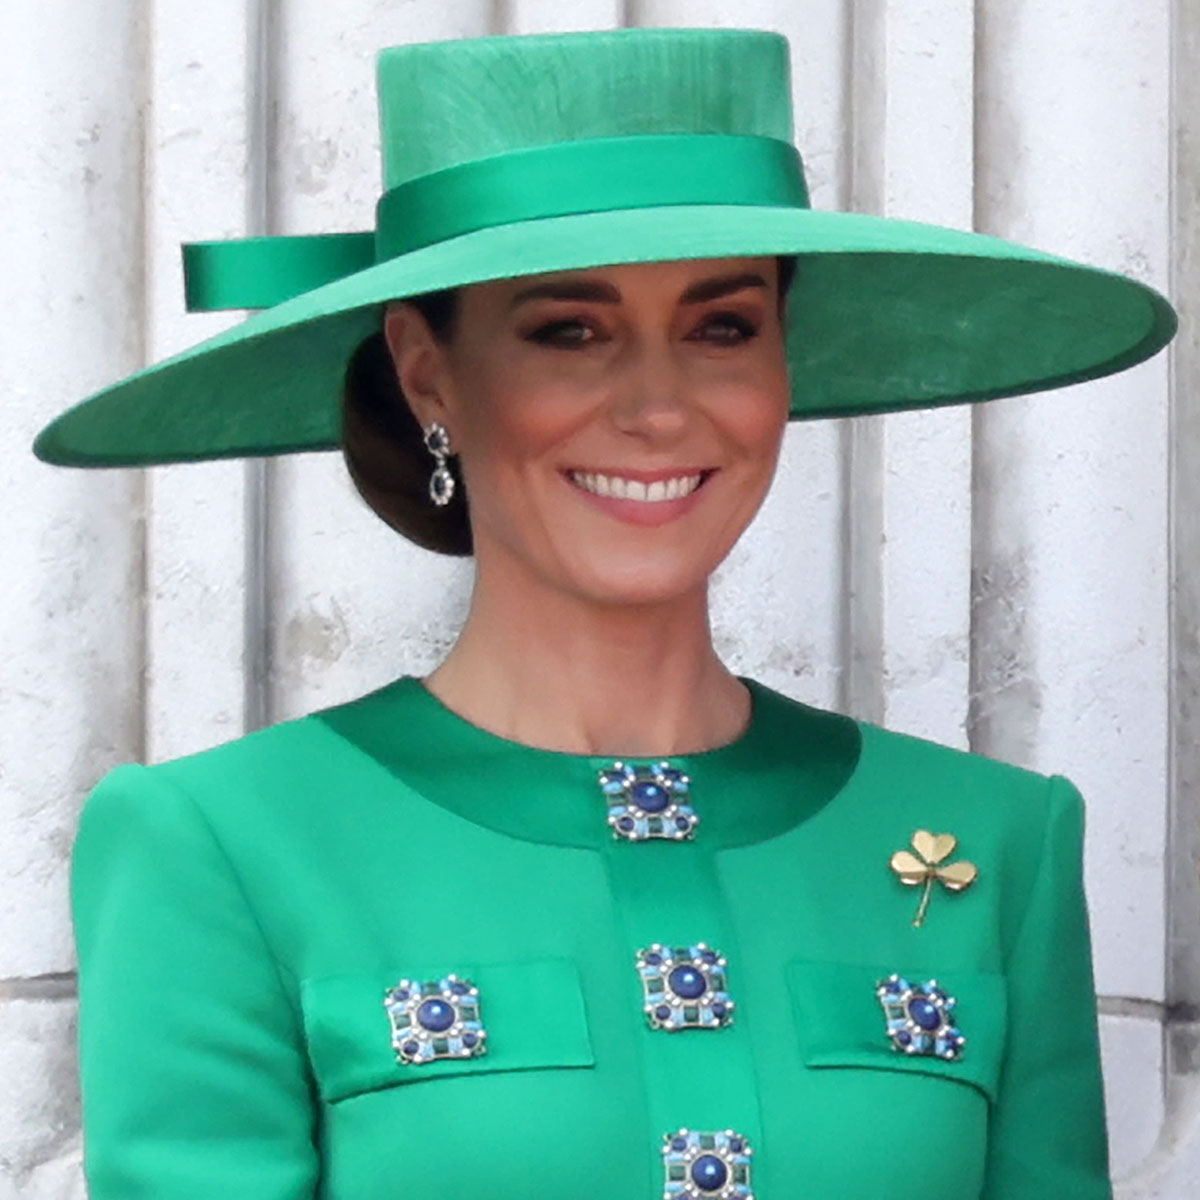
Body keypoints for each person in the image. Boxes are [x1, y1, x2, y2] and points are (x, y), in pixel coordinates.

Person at [34, 26, 1176, 1200]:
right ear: (430, 372)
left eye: (721, 327)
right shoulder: (219, 846)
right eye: (567, 332)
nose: (658, 409)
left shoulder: (993, 840)